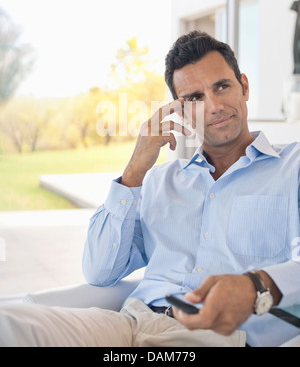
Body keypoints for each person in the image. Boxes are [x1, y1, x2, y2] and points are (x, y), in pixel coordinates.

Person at [0, 31, 299, 347]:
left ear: (245, 87)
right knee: (9, 324)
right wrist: (135, 169)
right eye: (195, 97)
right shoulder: (159, 181)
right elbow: (99, 271)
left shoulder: (292, 167)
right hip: (129, 323)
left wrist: (257, 285)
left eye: (222, 86)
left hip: (217, 337)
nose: (214, 106)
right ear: (180, 110)